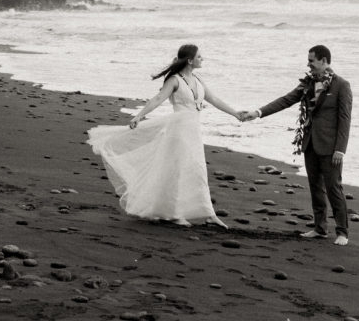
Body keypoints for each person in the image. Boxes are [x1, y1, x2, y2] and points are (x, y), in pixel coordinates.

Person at [87, 44, 242, 227]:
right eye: (200, 56)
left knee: (198, 170)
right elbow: (158, 99)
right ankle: (175, 213)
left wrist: (236, 114)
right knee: (177, 172)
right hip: (178, 132)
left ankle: (209, 214)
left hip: (193, 132)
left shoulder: (198, 79)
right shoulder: (175, 80)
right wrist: (139, 115)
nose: (203, 59)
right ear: (190, 60)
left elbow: (214, 99)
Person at [240, 45, 352, 245]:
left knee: (333, 188)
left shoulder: (341, 85)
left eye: (311, 61)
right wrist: (257, 113)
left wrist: (340, 149)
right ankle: (320, 228)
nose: (308, 65)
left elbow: (345, 120)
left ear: (324, 61)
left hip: (331, 147)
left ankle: (342, 232)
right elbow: (286, 100)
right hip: (310, 143)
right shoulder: (308, 84)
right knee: (315, 187)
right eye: (308, 61)